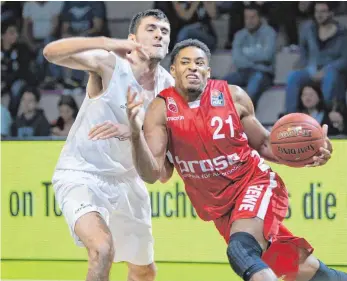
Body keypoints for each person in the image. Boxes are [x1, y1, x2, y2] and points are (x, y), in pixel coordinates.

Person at [126, 39, 346, 281]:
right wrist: (136, 135)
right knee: (302, 269)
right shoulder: (162, 109)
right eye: (185, 62)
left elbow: (264, 144)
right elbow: (154, 173)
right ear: (174, 70)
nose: (192, 68)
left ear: (208, 71)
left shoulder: (233, 96)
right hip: (222, 209)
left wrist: (308, 156)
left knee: (241, 251)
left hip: (255, 183)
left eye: (199, 63)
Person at [43, 9, 174, 281]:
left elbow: (158, 173)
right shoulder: (110, 64)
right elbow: (50, 52)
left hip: (127, 181)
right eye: (151, 29)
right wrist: (104, 41)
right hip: (82, 174)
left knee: (144, 271)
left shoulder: (169, 88)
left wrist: (134, 132)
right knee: (103, 249)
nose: (159, 34)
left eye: (164, 31)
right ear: (131, 38)